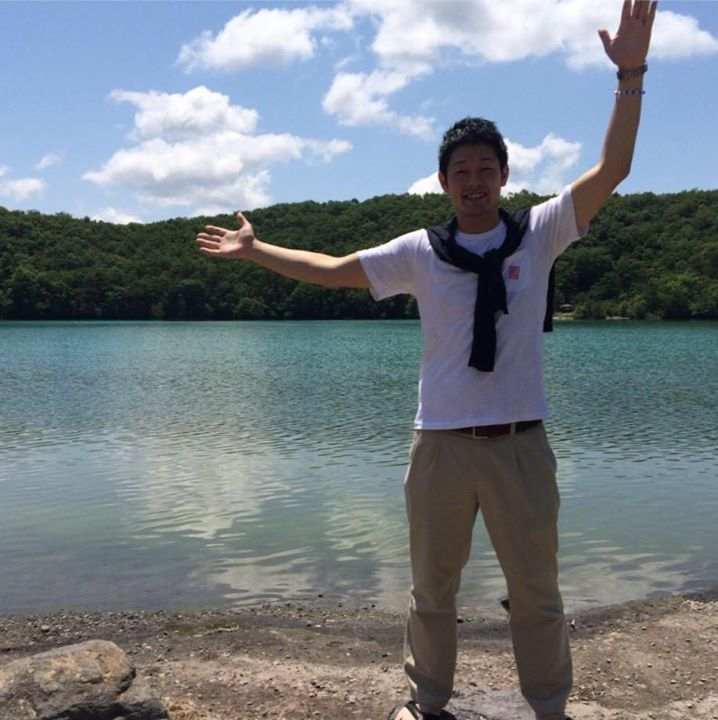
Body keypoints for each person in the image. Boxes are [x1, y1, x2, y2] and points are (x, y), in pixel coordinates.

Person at [195, 2, 657, 718]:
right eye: (460, 171)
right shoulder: (421, 251)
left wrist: (630, 74)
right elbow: (332, 270)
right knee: (431, 590)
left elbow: (614, 168)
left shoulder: (539, 233)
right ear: (443, 183)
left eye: (485, 169)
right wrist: (257, 251)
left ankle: (548, 706)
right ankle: (425, 702)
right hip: (439, 445)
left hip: (521, 445)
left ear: (504, 175)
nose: (474, 180)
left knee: (537, 591)